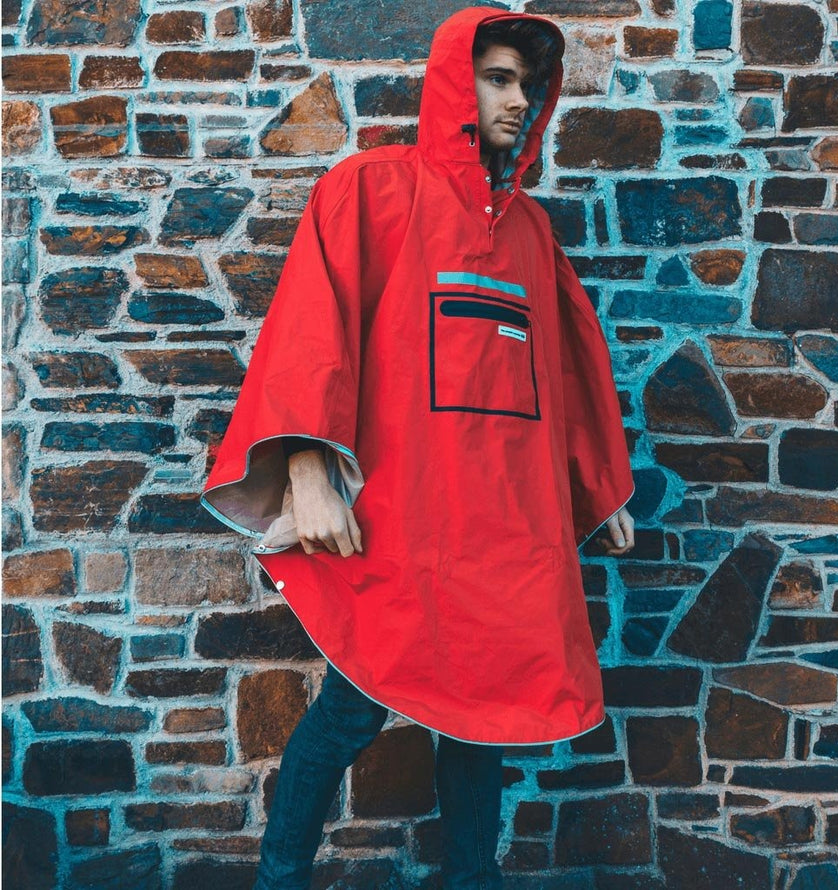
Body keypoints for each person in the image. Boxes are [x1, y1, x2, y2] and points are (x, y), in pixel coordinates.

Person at [201, 7, 635, 889]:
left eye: (528, 85)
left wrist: (597, 486)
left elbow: (565, 376)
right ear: (453, 83)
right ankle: (279, 879)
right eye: (497, 78)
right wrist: (310, 473)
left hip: (502, 534)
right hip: (400, 519)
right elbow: (313, 333)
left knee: (484, 728)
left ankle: (471, 880)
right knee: (350, 713)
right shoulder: (370, 189)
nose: (517, 100)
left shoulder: (530, 233)